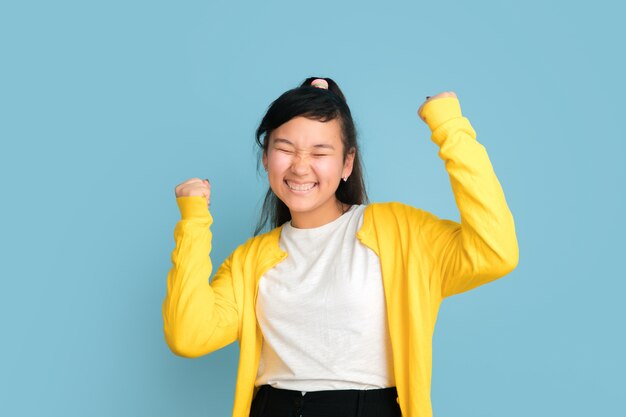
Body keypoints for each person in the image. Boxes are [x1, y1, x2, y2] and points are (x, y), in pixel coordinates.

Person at [162, 77, 519, 417]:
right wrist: (194, 222)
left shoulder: (398, 232)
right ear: (266, 159)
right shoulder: (250, 260)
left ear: (347, 163)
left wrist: (449, 127)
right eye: (285, 148)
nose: (300, 167)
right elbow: (188, 335)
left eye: (320, 152)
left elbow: (494, 250)